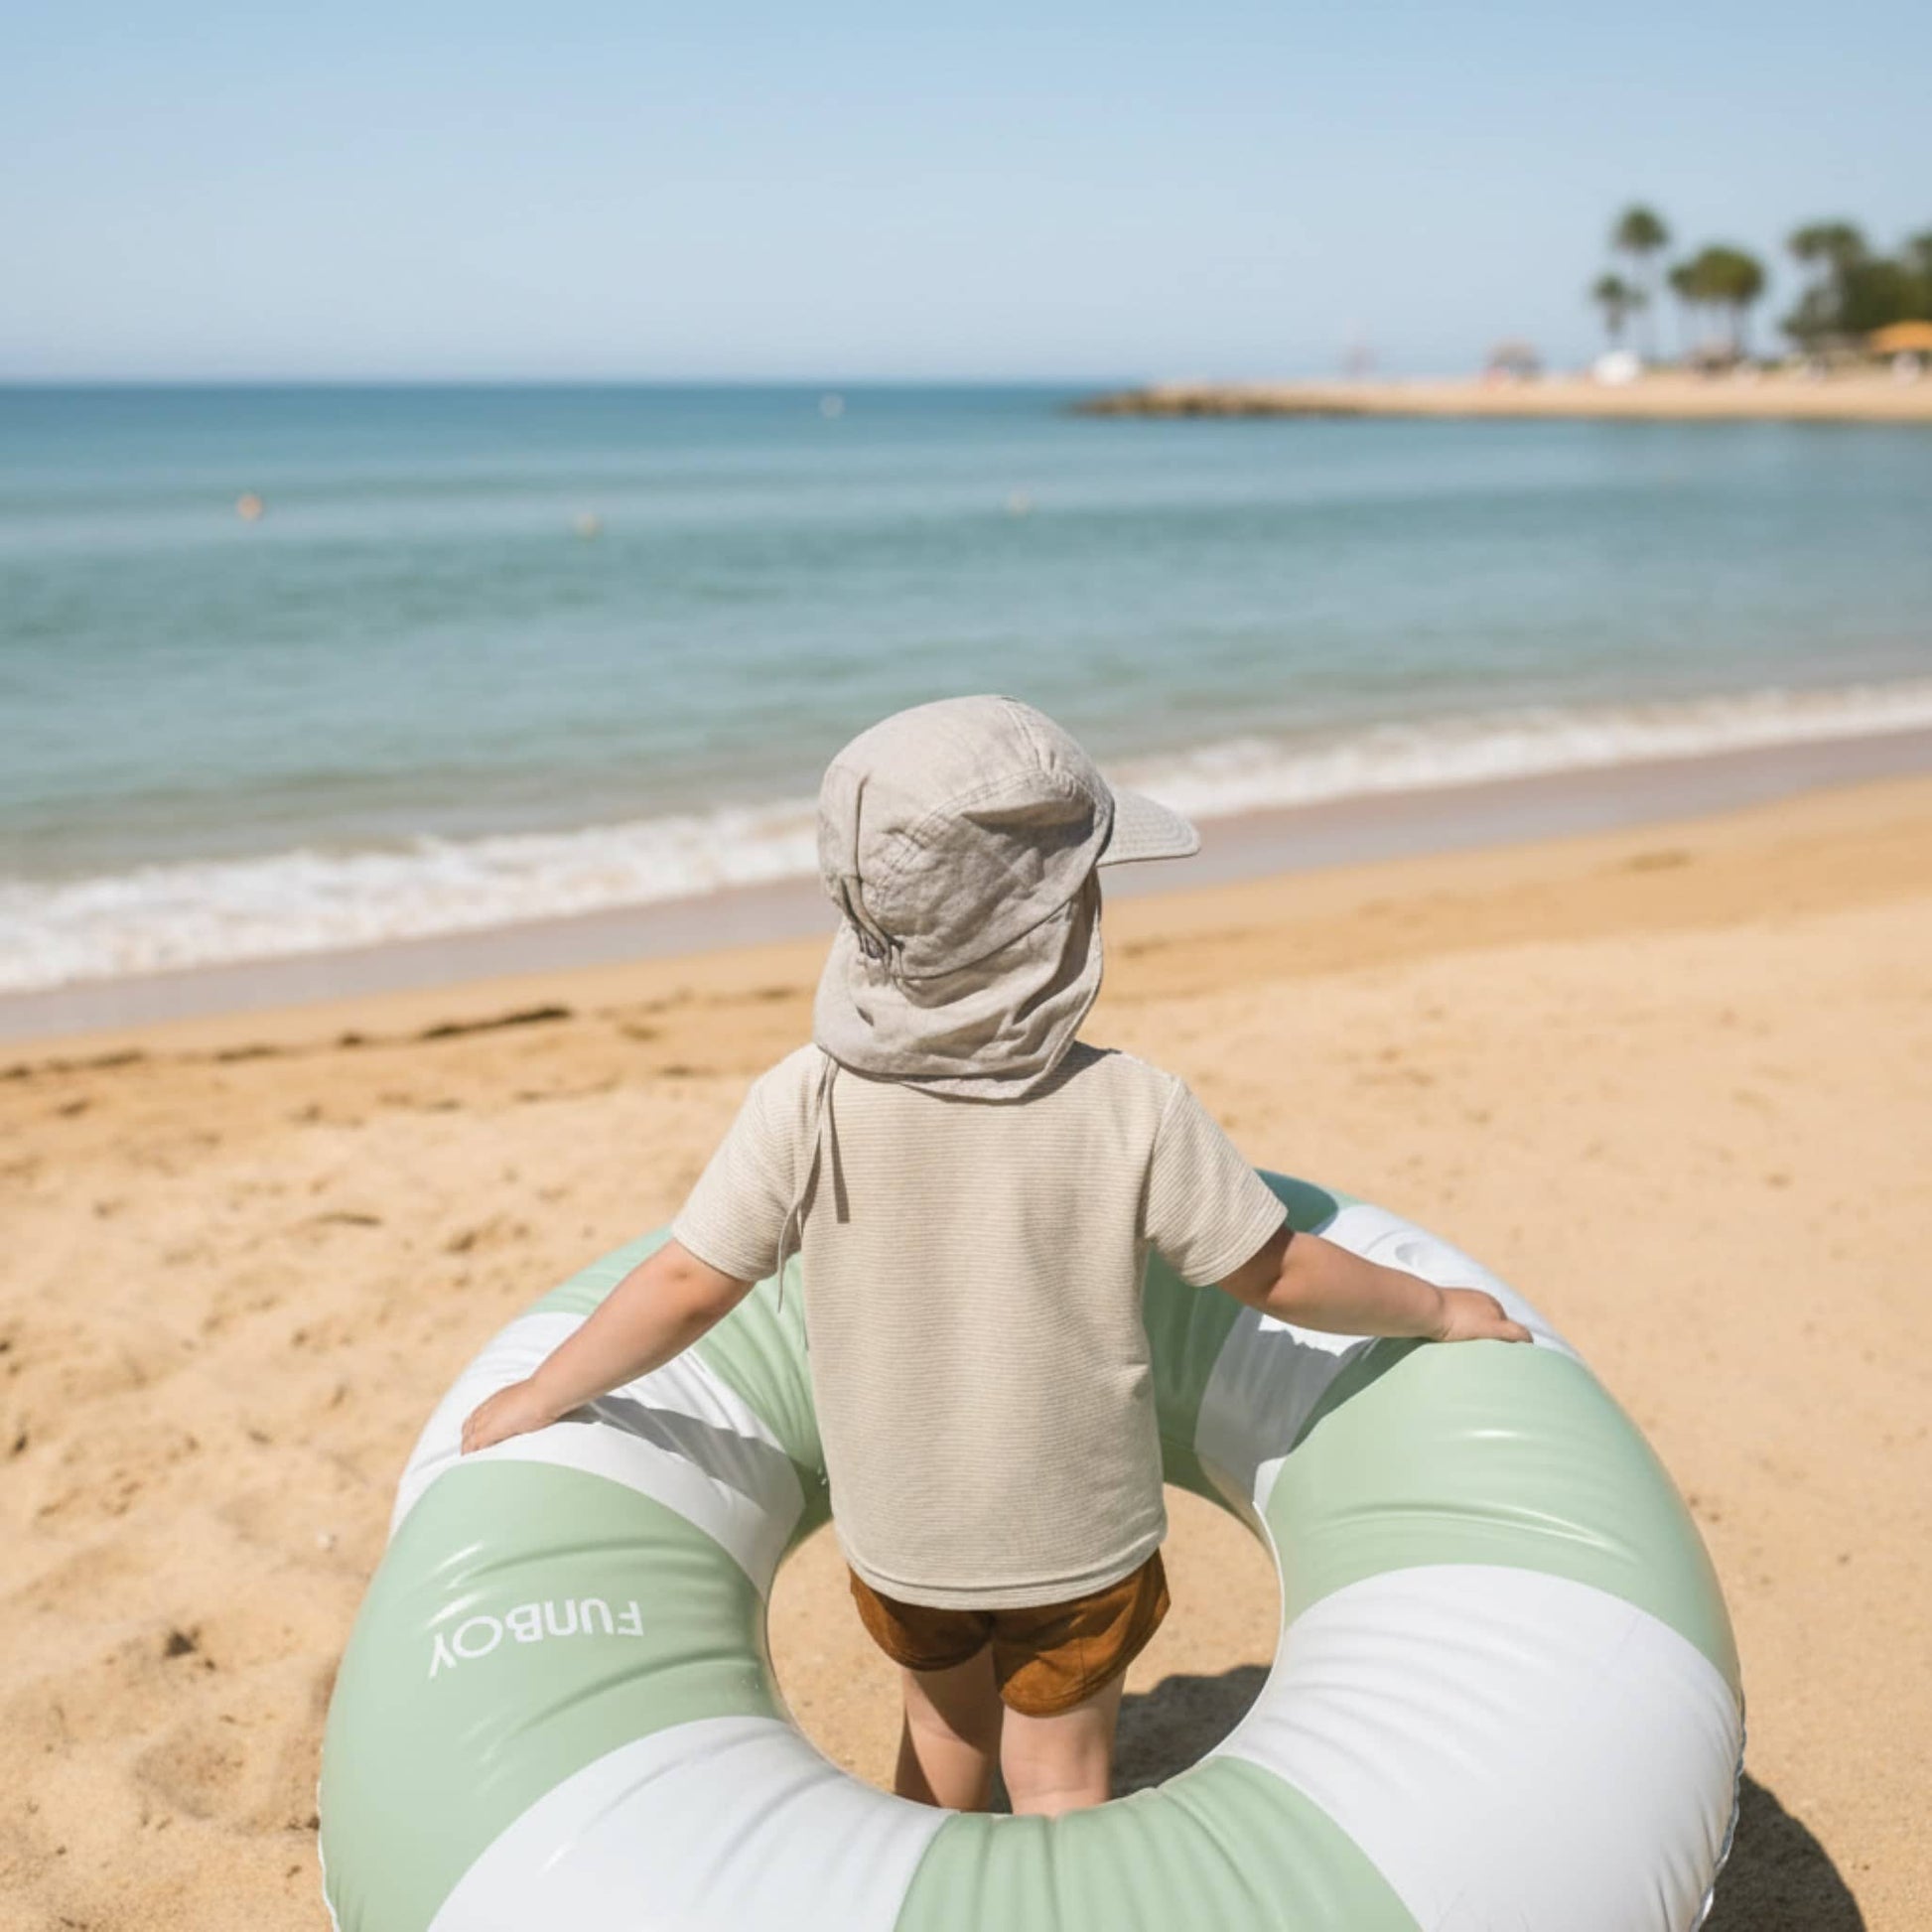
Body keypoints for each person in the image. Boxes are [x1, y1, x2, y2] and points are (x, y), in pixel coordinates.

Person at [462, 696, 1529, 1818]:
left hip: (902, 1538)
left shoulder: (804, 1100)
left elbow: (688, 1281)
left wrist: (546, 1389)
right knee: (1062, 1770)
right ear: (1060, 924)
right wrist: (1436, 1307)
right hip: (1078, 1538)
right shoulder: (1133, 1107)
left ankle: (932, 1876)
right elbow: (1278, 1273)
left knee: (941, 1725)